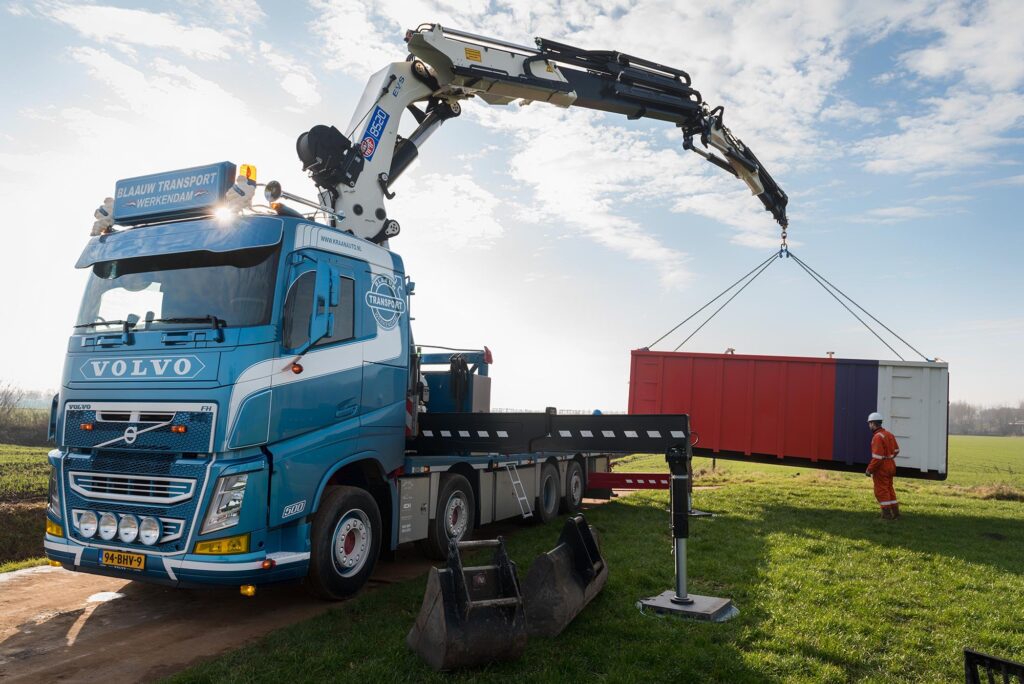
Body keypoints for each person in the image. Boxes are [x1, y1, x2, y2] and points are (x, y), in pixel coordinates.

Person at [865, 412, 900, 519]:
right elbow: (897, 450)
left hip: (882, 467)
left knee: (881, 490)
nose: (869, 426)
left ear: (873, 423)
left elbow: (877, 458)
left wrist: (869, 469)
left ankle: (886, 515)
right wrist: (889, 457)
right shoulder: (889, 434)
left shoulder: (877, 437)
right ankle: (895, 513)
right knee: (889, 489)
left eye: (869, 423)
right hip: (891, 464)